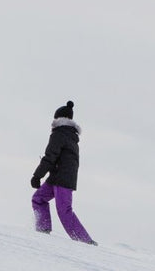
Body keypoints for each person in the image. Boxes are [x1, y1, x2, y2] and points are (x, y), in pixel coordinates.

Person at [30, 101, 97, 245]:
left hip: (63, 179)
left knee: (64, 210)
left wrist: (37, 175)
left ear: (58, 119)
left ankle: (85, 241)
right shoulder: (70, 136)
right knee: (38, 199)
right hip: (58, 177)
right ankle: (43, 229)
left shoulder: (59, 134)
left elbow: (50, 157)